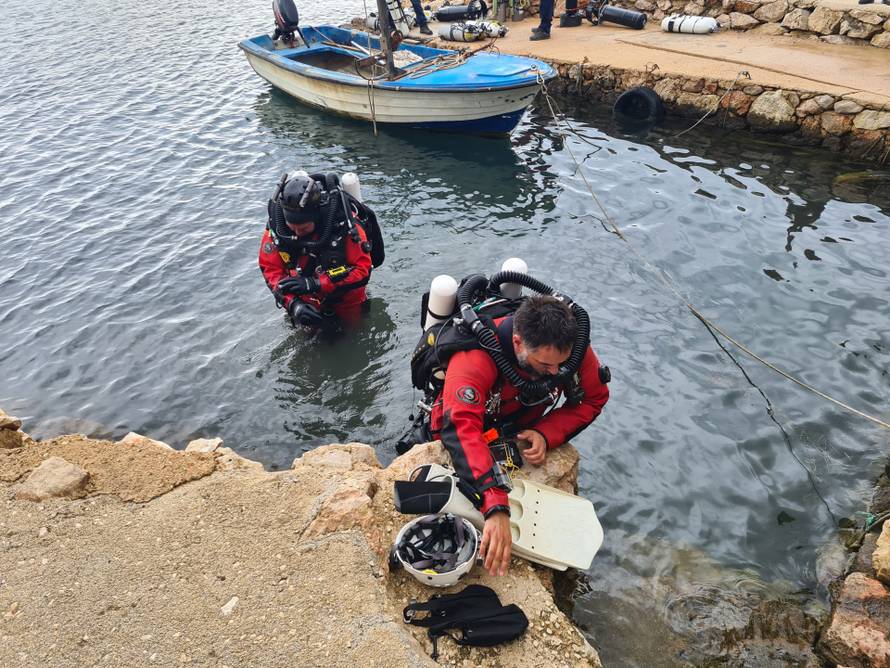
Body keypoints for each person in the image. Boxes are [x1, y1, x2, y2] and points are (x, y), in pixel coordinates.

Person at [426, 295, 609, 576]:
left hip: (516, 422)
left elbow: (593, 398)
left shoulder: (568, 350)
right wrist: (495, 506)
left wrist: (546, 433)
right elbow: (462, 426)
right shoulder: (476, 356)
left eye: (562, 363)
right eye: (545, 365)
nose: (557, 372)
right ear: (518, 342)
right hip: (463, 423)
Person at [259, 172, 376, 329]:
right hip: (304, 297)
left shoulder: (343, 226)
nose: (297, 234)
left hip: (346, 299)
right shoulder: (278, 228)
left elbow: (362, 270)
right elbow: (271, 270)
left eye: (304, 228)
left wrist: (317, 283)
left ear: (316, 216)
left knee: (353, 333)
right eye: (292, 227)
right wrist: (293, 303)